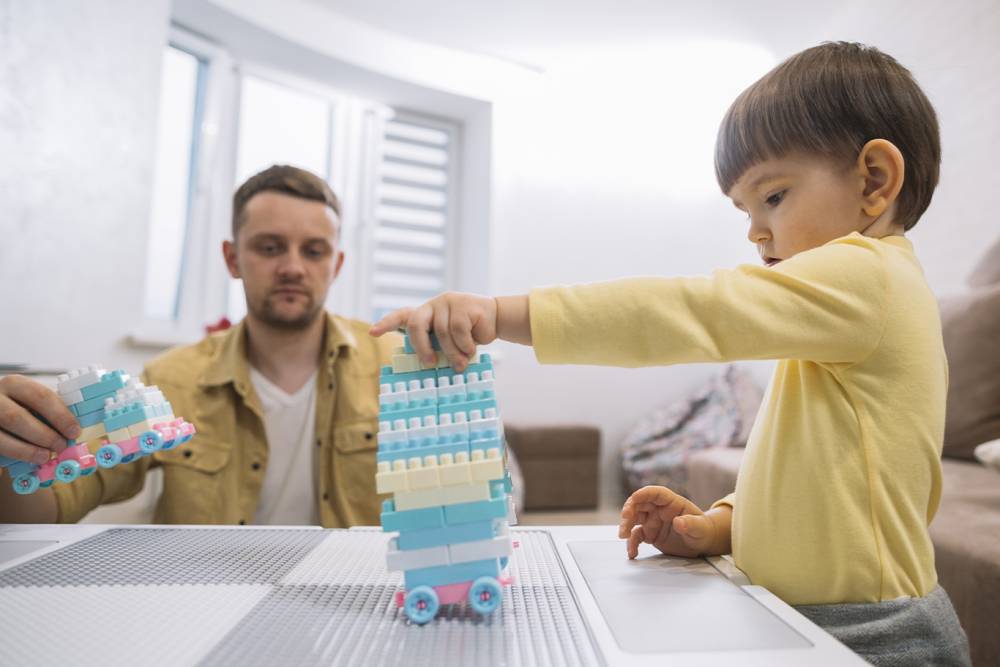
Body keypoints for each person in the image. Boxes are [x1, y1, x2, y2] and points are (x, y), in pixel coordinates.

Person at [369, 43, 970, 665]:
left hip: (873, 633)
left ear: (874, 180)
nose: (755, 232)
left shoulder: (869, 277)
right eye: (745, 210)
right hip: (813, 616)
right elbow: (828, 473)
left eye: (773, 196)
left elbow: (688, 311)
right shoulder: (846, 310)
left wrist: (501, 315)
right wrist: (721, 525)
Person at [0, 165, 397, 527]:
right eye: (270, 247)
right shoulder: (171, 379)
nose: (293, 267)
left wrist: (457, 338)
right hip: (208, 599)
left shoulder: (396, 365)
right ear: (232, 258)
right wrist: (11, 459)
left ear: (337, 265)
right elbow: (51, 508)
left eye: (313, 251)